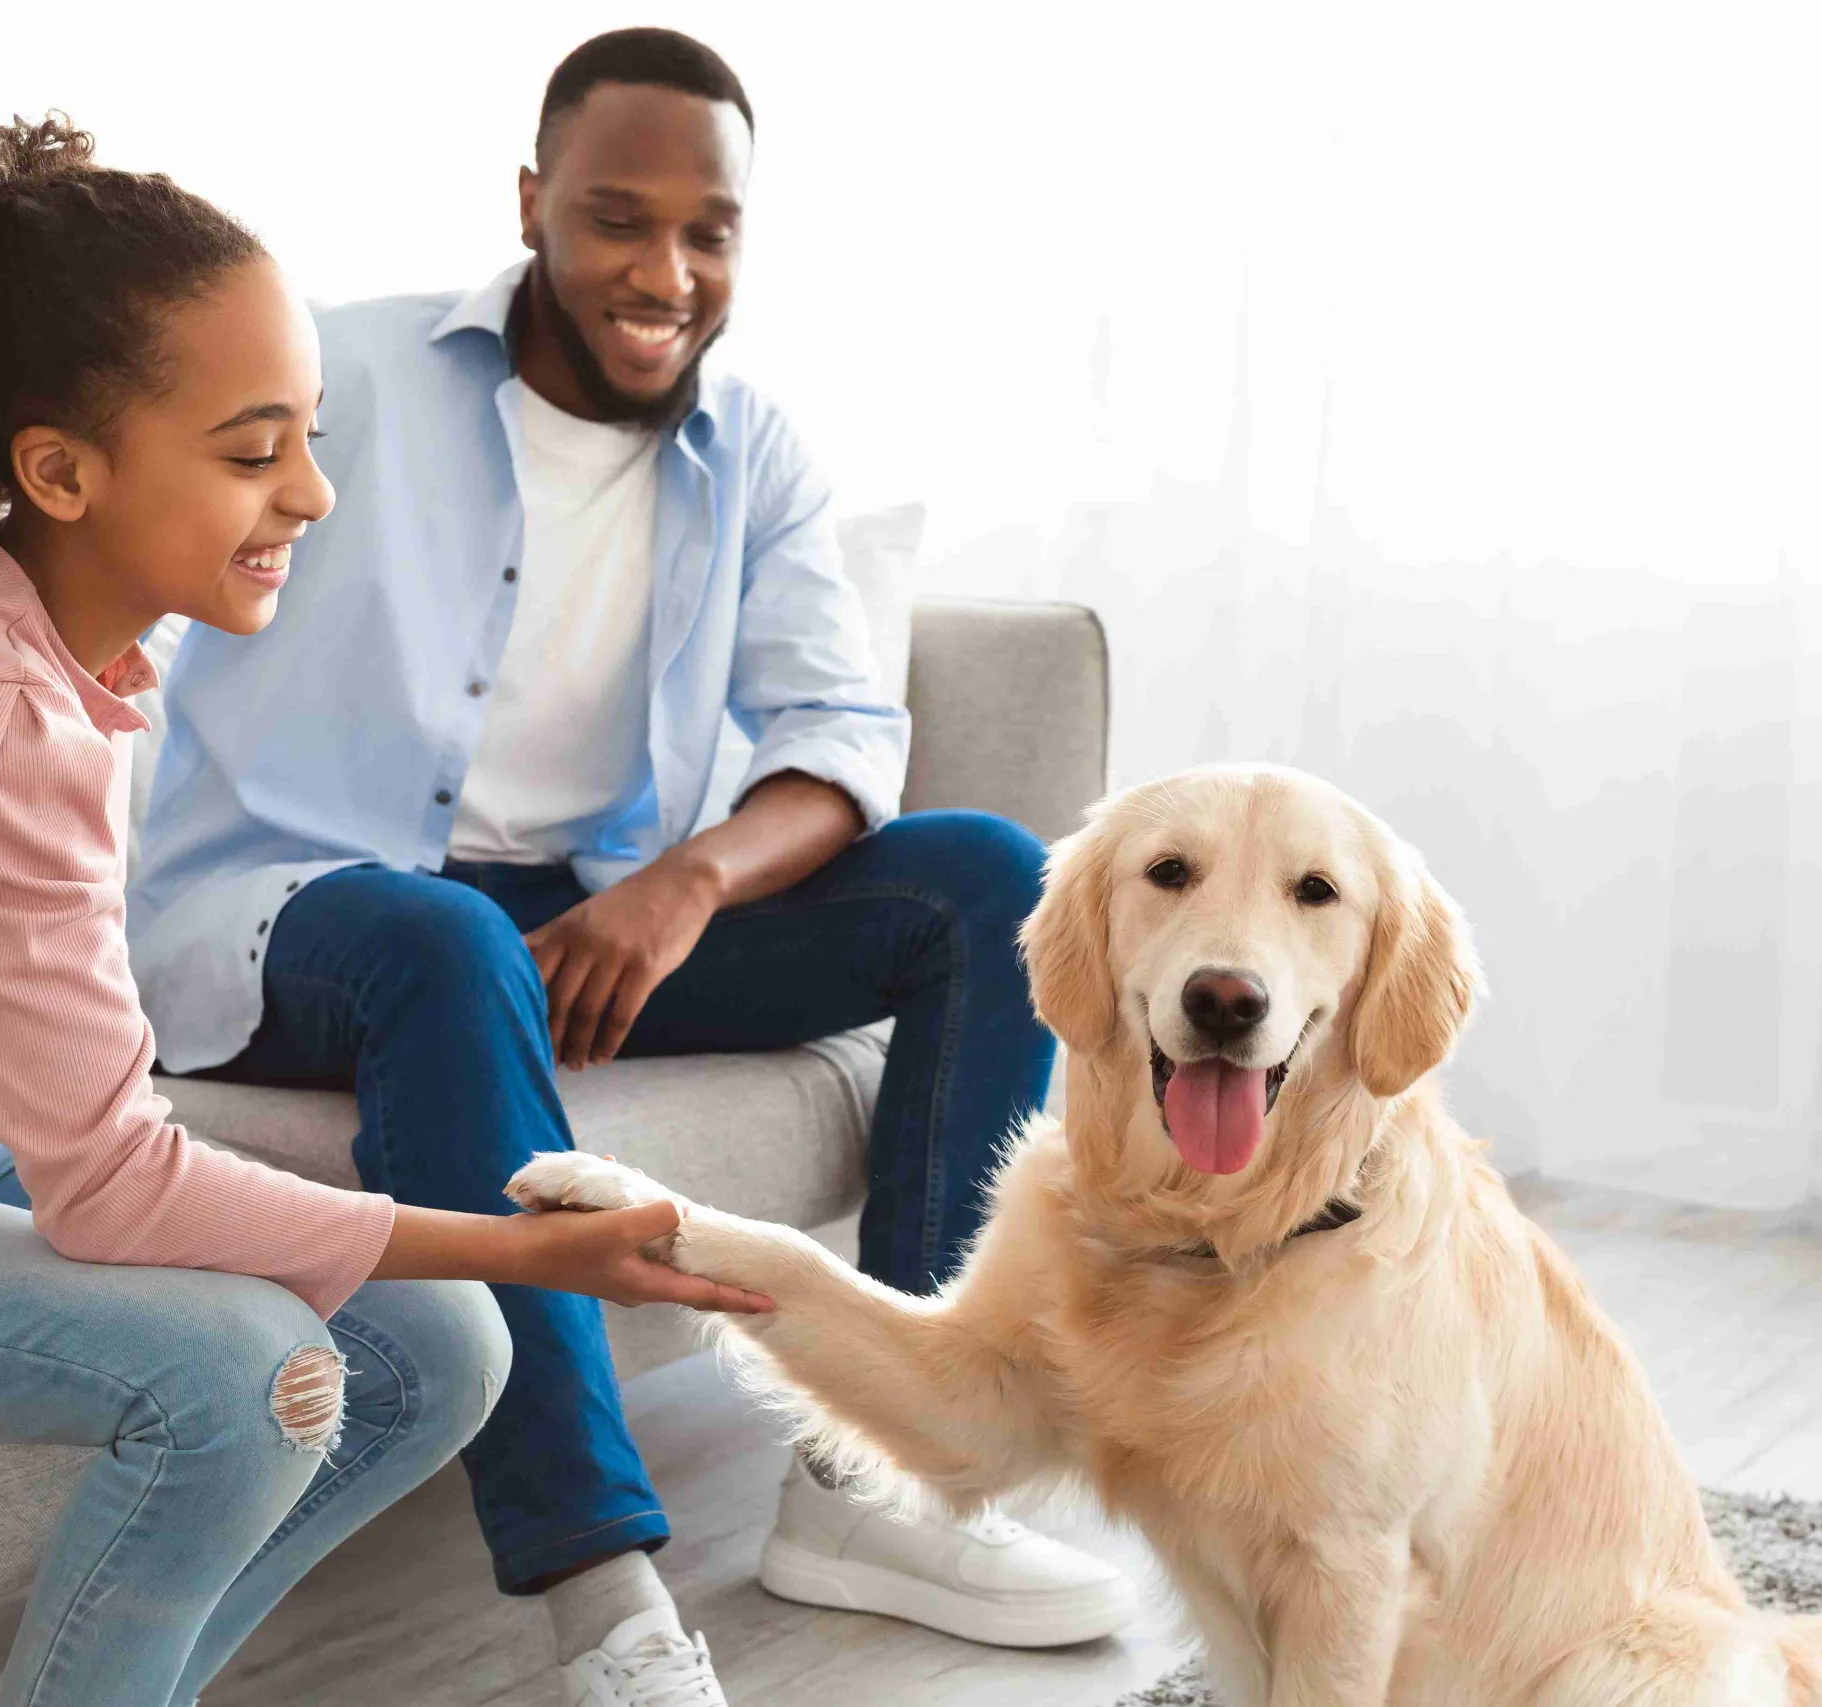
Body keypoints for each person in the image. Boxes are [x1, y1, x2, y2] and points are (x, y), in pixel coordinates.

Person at [0, 117, 761, 1707]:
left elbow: (87, 1126)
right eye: (250, 450)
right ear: (60, 470)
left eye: (306, 432)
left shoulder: (44, 634)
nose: (315, 490)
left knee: (447, 1351)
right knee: (245, 1376)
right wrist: (525, 1242)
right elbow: (113, 1192)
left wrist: (485, 1275)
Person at [130, 28, 1136, 1706]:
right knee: (441, 939)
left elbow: (839, 735)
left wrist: (686, 885)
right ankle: (599, 1590)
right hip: (294, 915)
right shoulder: (344, 376)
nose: (664, 271)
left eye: (709, 231)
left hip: (584, 915)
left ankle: (881, 1481)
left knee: (986, 879)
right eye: (617, 218)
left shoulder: (758, 449)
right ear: (531, 204)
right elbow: (141, 545)